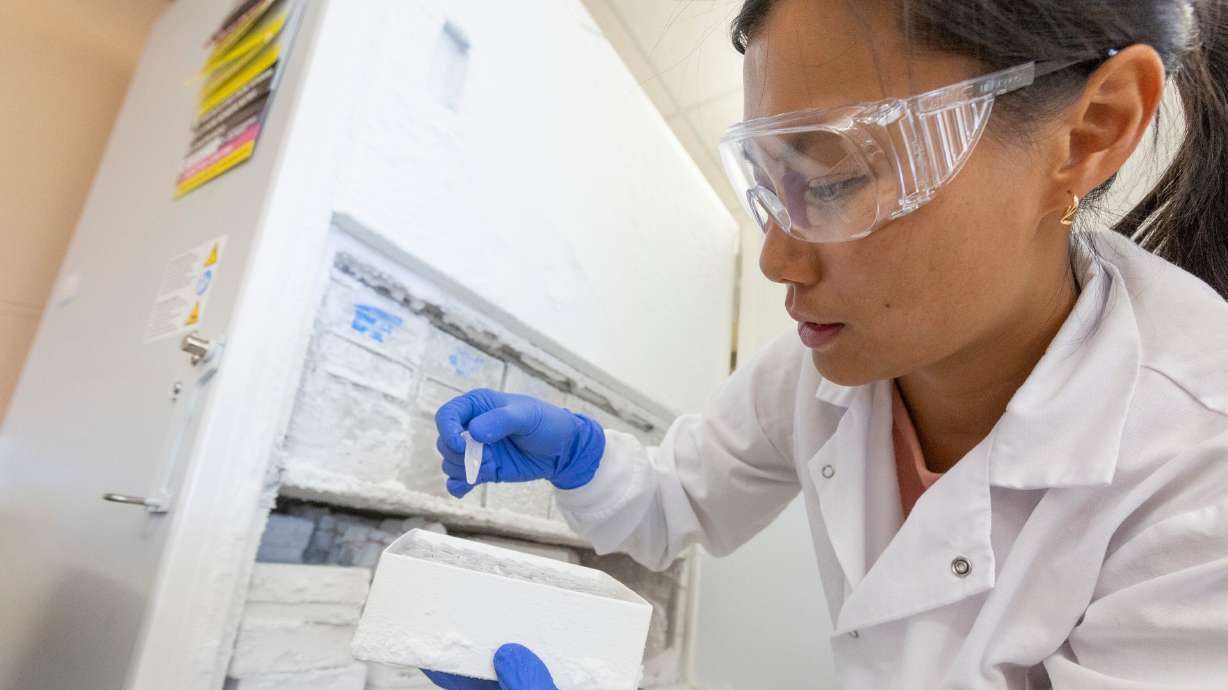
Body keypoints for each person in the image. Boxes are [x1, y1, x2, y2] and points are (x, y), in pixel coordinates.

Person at [425, 0, 1228, 688]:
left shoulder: (1199, 467)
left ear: (1092, 131)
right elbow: (676, 502)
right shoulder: (830, 366)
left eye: (839, 178)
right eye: (775, 189)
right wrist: (588, 463)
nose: (779, 257)